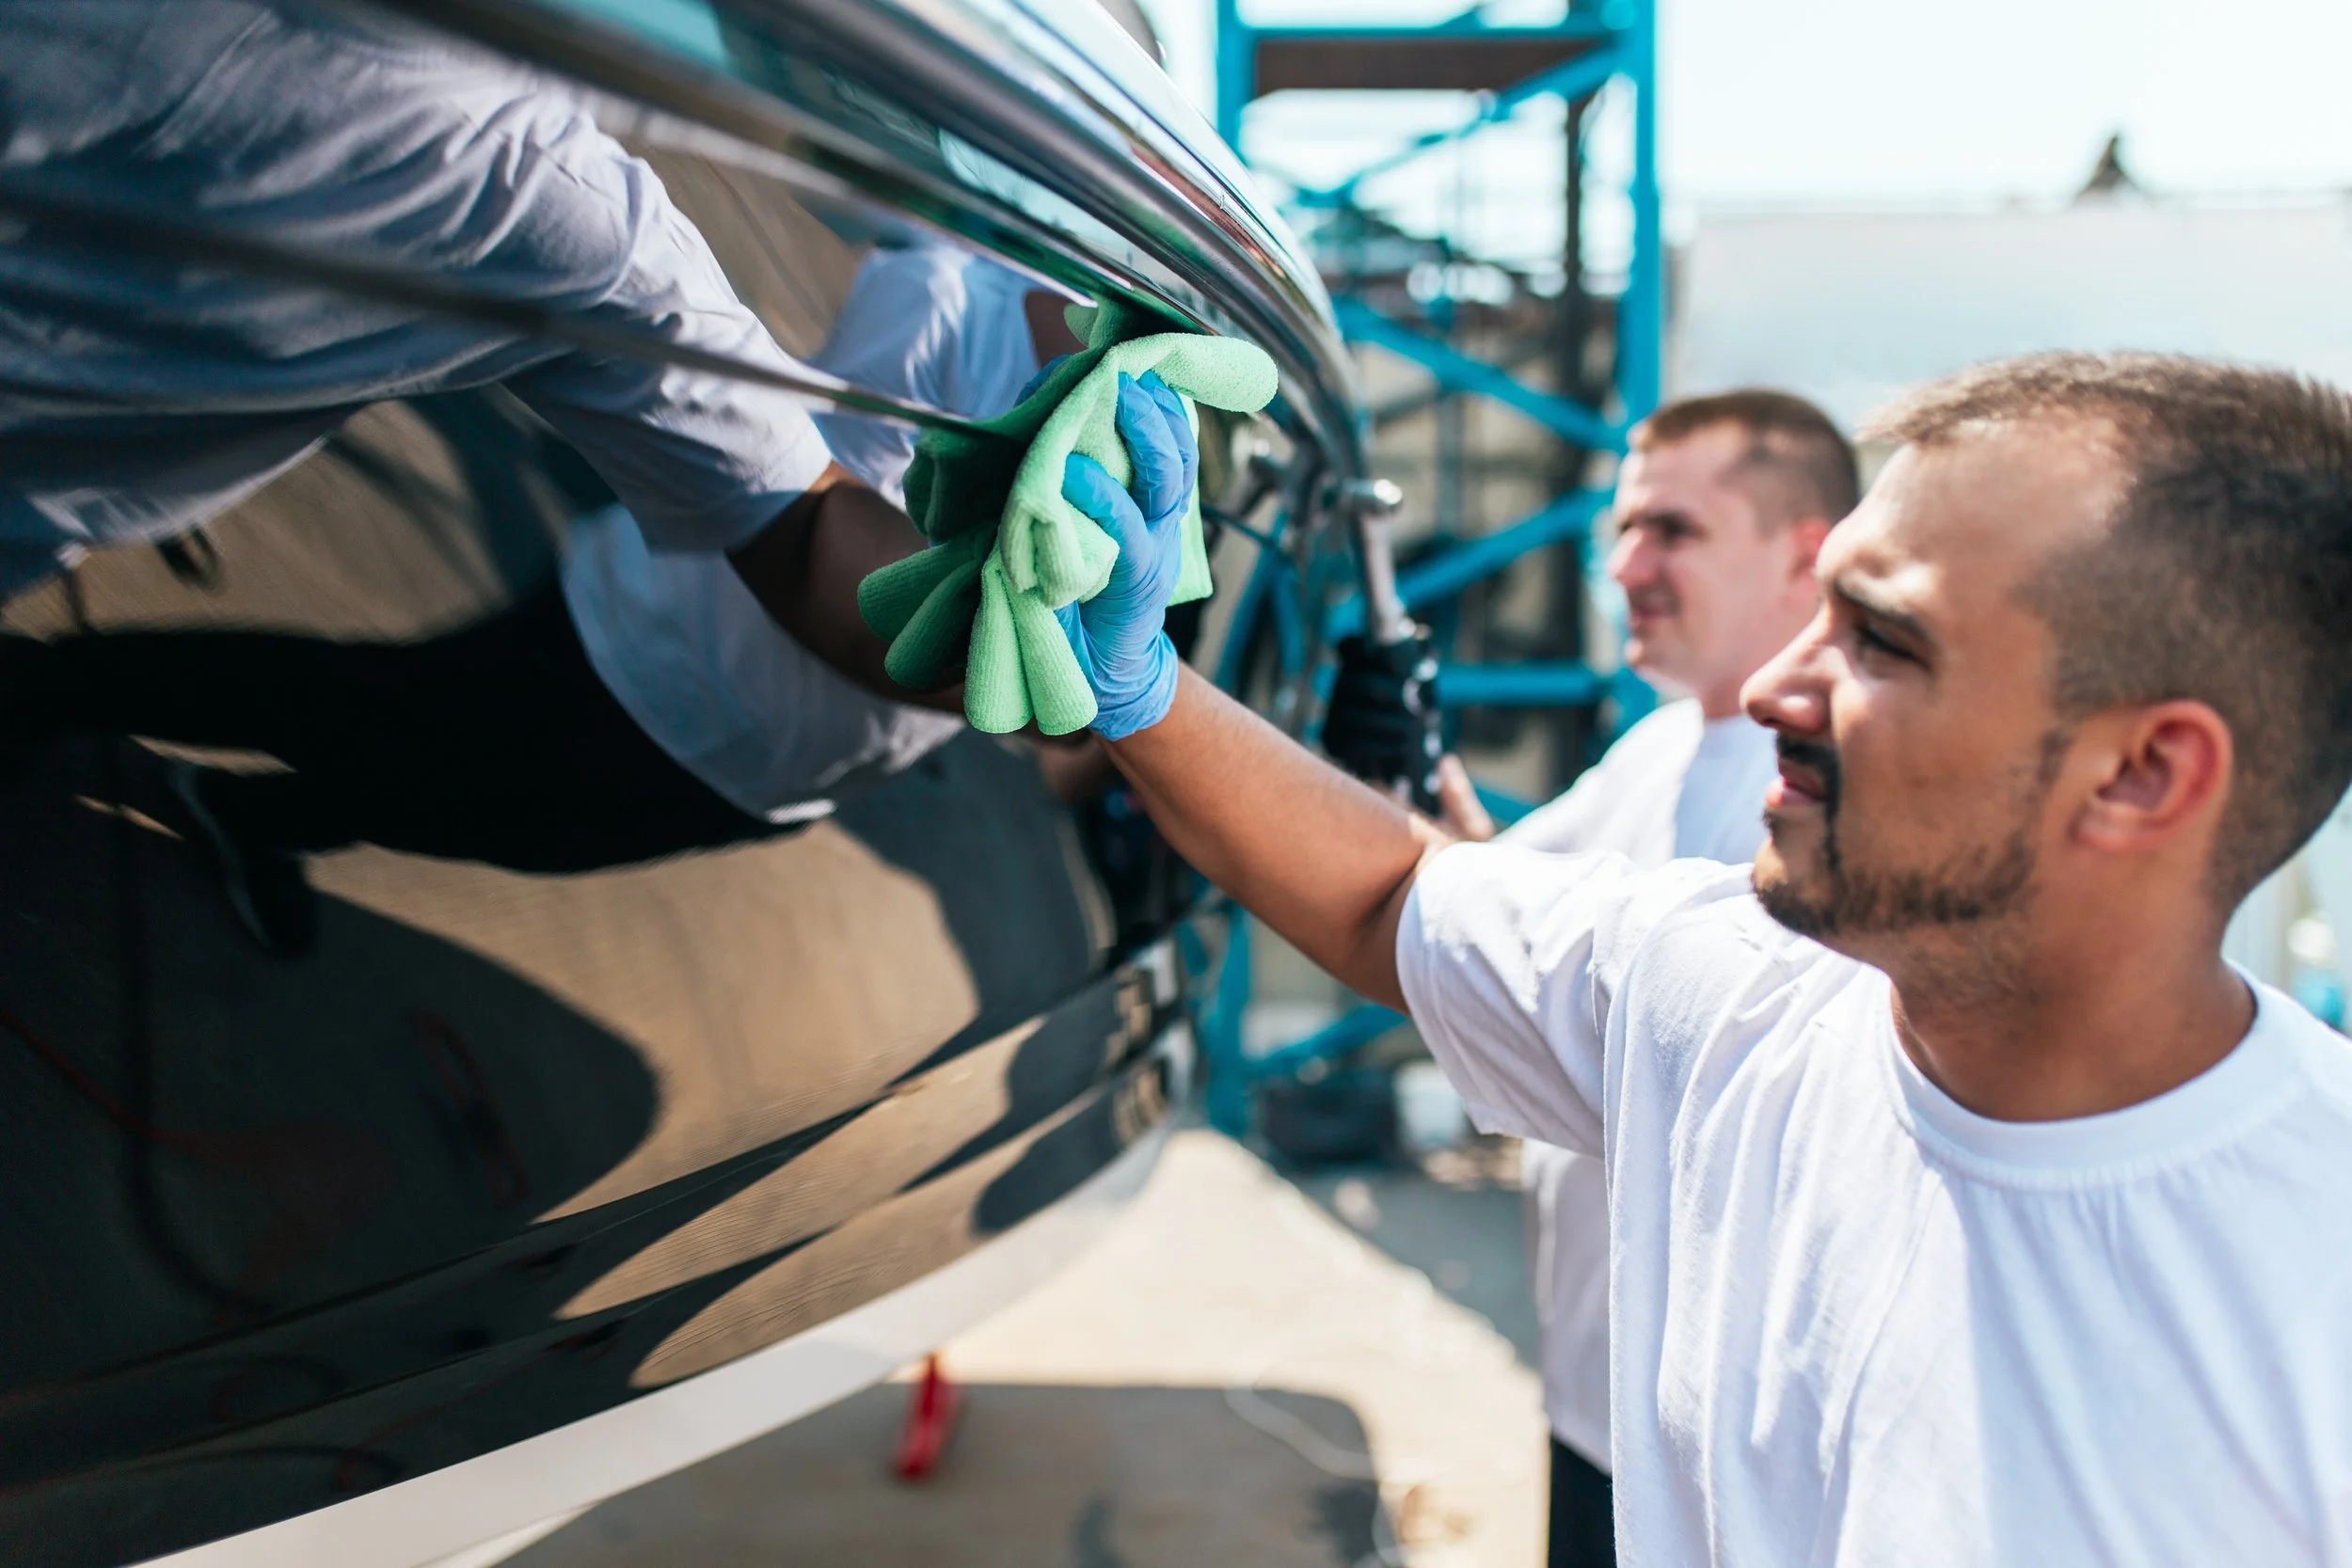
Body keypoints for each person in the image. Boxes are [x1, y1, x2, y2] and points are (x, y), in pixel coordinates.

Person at [1063, 351, 2352, 1562]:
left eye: (1882, 638)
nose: (1783, 685)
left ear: (2144, 773)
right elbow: (1397, 892)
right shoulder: (1730, 993)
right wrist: (1141, 691)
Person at [5, 242, 1077, 949]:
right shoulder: (949, 304)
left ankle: (245, 815)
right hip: (648, 654)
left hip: (768, 771)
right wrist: (1026, 679)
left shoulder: (1124, 437)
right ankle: (47, 687)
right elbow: (820, 524)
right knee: (347, 709)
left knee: (484, 819)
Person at [0, 1, 922, 697]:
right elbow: (827, 570)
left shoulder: (564, 222)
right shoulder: (556, 218)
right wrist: (1054, 655)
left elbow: (829, 564)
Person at [1391, 391, 1853, 1568]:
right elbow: (1472, 904)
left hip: (1720, 1465)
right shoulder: (1660, 749)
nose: (1624, 564)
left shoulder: (1824, 800)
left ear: (1805, 552)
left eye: (1671, 530)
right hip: (1596, 1403)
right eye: (1618, 530)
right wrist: (1393, 776)